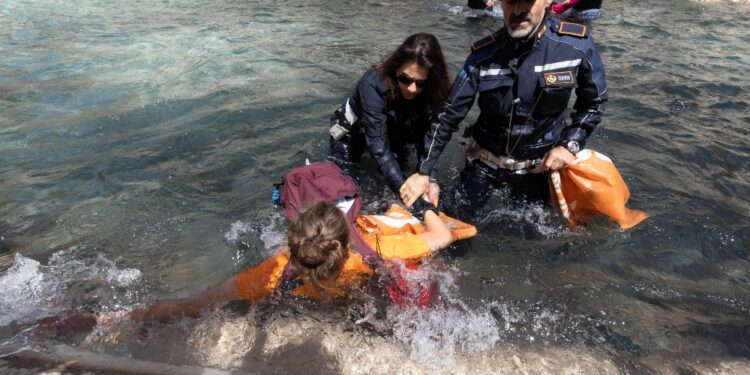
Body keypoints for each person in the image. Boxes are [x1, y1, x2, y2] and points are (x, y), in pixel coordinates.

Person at [400, 0, 607, 219]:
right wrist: (424, 171)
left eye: (527, 2)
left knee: (533, 241)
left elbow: (594, 103)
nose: (517, 10)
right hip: (485, 162)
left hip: (540, 168)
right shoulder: (482, 56)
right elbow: (447, 116)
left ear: (548, 1)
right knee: (453, 226)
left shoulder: (575, 46)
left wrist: (569, 145)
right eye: (510, 1)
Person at [129, 201, 475, 322]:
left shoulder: (273, 273)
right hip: (361, 293)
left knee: (207, 304)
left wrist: (135, 317)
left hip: (297, 295)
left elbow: (195, 304)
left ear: (292, 243)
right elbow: (442, 237)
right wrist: (424, 207)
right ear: (348, 238)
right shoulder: (376, 250)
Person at [328, 33, 450, 207]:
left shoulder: (433, 92)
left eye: (420, 83)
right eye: (405, 79)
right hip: (351, 132)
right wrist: (406, 193)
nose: (412, 88)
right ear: (396, 68)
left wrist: (430, 176)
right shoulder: (372, 83)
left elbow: (428, 137)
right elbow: (378, 145)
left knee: (396, 182)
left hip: (394, 133)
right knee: (344, 191)